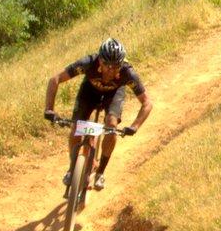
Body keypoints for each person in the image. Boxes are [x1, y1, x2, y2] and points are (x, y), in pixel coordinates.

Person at [44, 37, 152, 191]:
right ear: (99, 60)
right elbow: (55, 79)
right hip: (89, 91)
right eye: (106, 65)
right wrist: (49, 108)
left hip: (114, 94)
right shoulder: (88, 63)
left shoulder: (128, 74)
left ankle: (100, 172)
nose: (110, 70)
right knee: (76, 127)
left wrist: (135, 126)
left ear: (121, 65)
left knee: (111, 125)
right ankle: (72, 168)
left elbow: (147, 103)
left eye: (115, 67)